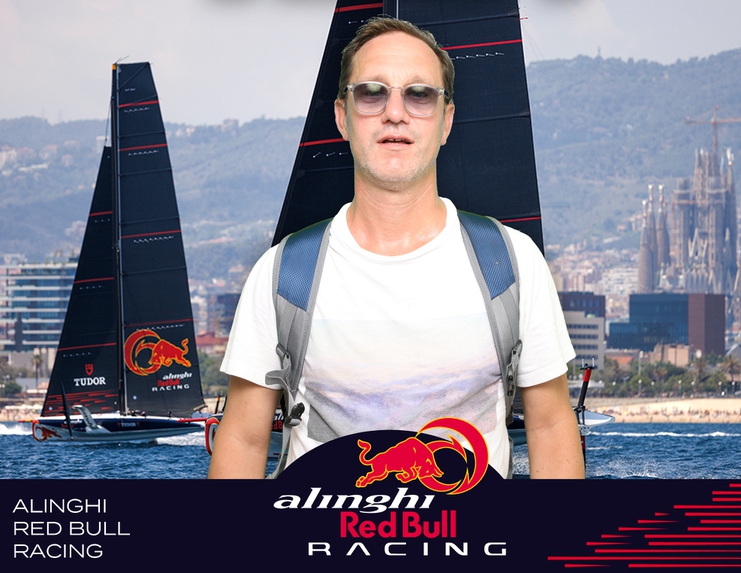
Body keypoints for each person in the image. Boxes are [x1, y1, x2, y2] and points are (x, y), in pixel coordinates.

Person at [208, 17, 584, 479]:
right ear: (342, 116)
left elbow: (550, 426)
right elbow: (244, 440)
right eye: (372, 93)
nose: (395, 112)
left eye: (419, 95)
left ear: (446, 120)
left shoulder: (513, 264)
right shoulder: (282, 274)